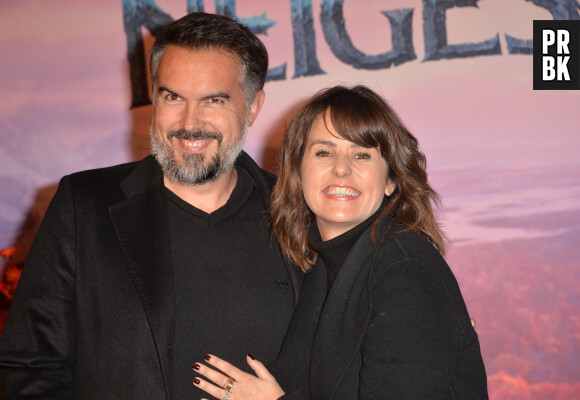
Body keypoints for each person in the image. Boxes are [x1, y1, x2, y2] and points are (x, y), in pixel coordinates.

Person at [0, 12, 303, 399]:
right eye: (173, 96)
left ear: (253, 106)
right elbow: (30, 365)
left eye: (214, 100)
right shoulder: (83, 206)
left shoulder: (298, 214)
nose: (189, 122)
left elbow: (338, 369)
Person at [191, 85, 488, 399]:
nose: (341, 169)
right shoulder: (324, 269)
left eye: (362, 155)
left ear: (390, 180)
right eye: (324, 152)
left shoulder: (404, 269)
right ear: (298, 171)